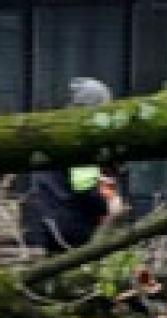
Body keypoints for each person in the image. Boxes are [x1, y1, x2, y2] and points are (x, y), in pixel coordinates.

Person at [22, 77, 125, 252]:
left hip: (50, 221)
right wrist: (109, 206)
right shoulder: (82, 139)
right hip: (73, 225)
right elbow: (84, 187)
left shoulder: (61, 131)